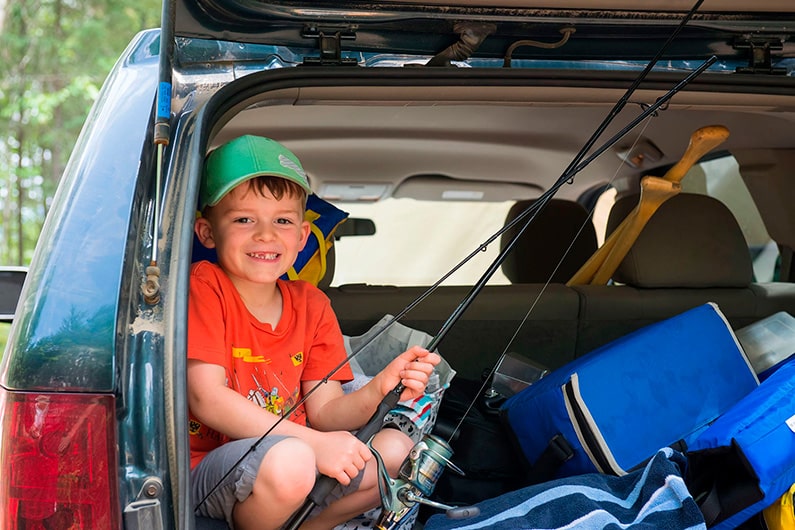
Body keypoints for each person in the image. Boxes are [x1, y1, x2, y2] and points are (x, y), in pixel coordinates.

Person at [187, 134, 441, 530]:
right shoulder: (204, 286)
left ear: (302, 236)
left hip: (298, 462)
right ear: (206, 232)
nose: (265, 235)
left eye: (283, 221)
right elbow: (207, 399)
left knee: (395, 451)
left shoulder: (312, 305)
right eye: (243, 219)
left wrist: (379, 388)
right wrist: (314, 445)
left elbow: (324, 413)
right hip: (212, 470)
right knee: (293, 460)